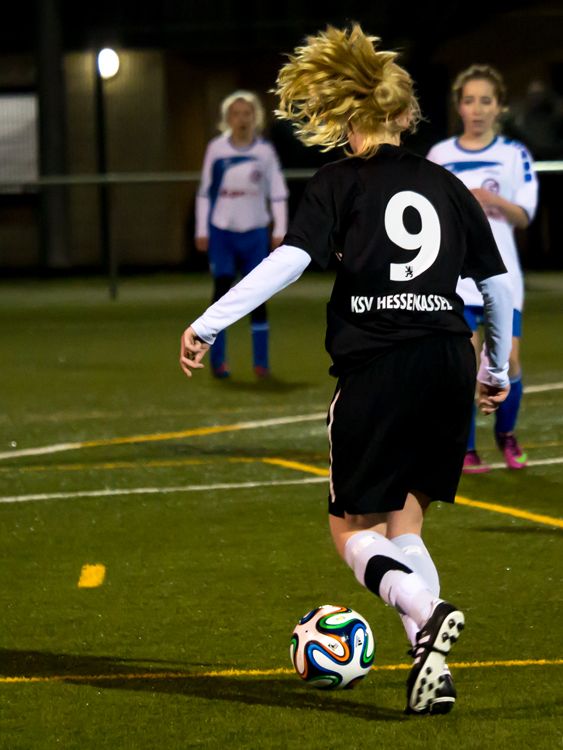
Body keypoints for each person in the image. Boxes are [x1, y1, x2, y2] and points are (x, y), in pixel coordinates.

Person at [181, 26, 512, 714]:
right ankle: (432, 672)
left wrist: (210, 320)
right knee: (406, 526)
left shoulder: (336, 182)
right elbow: (498, 288)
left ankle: (427, 610)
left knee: (350, 529)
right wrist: (497, 369)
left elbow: (291, 260)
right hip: (449, 361)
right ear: (404, 113)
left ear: (347, 111)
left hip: (378, 367)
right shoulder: (445, 183)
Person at [428, 65, 539, 472]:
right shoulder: (440, 155)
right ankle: (466, 447)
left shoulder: (515, 155)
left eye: (486, 100)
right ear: (459, 106)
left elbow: (524, 215)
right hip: (456, 278)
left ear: (500, 107)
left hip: (502, 276)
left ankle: (505, 436)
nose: (477, 108)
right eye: (470, 100)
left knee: (507, 362)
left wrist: (486, 201)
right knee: (465, 364)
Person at [195, 90, 289, 378]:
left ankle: (261, 364)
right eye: (235, 114)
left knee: (258, 296)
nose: (241, 119)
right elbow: (204, 192)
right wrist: (202, 229)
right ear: (227, 119)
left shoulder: (264, 153)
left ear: (255, 117)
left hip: (256, 233)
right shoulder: (216, 149)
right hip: (222, 232)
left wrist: (280, 228)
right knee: (221, 294)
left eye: (247, 113)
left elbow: (278, 193)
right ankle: (217, 361)